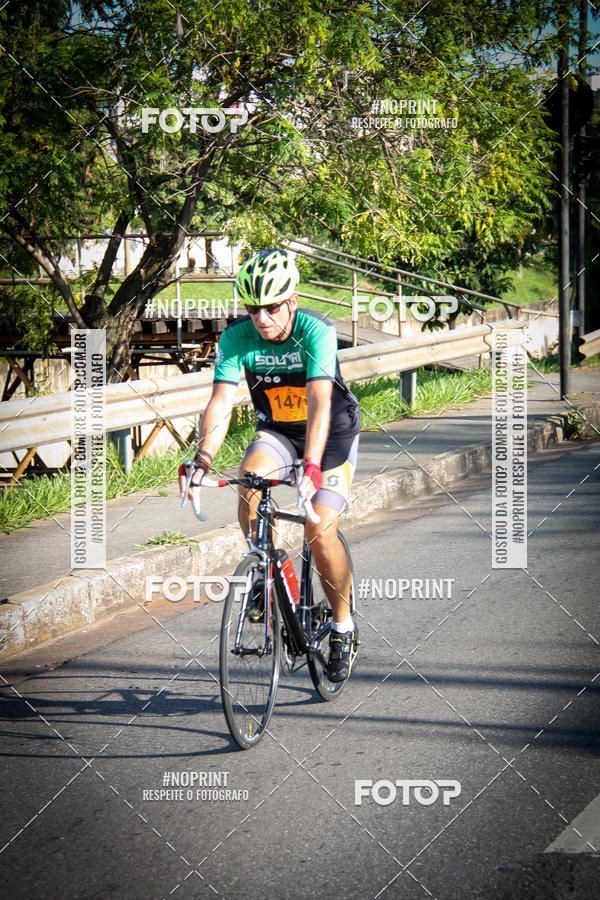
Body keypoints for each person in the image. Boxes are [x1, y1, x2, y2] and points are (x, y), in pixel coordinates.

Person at [180, 248, 360, 682]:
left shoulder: (317, 331)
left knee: (319, 531)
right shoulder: (237, 338)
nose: (262, 317)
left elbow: (319, 400)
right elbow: (221, 401)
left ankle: (342, 626)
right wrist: (203, 457)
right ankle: (268, 571)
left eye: (272, 307)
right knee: (249, 482)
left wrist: (312, 466)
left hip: (330, 435)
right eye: (253, 308)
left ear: (292, 301)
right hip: (278, 432)